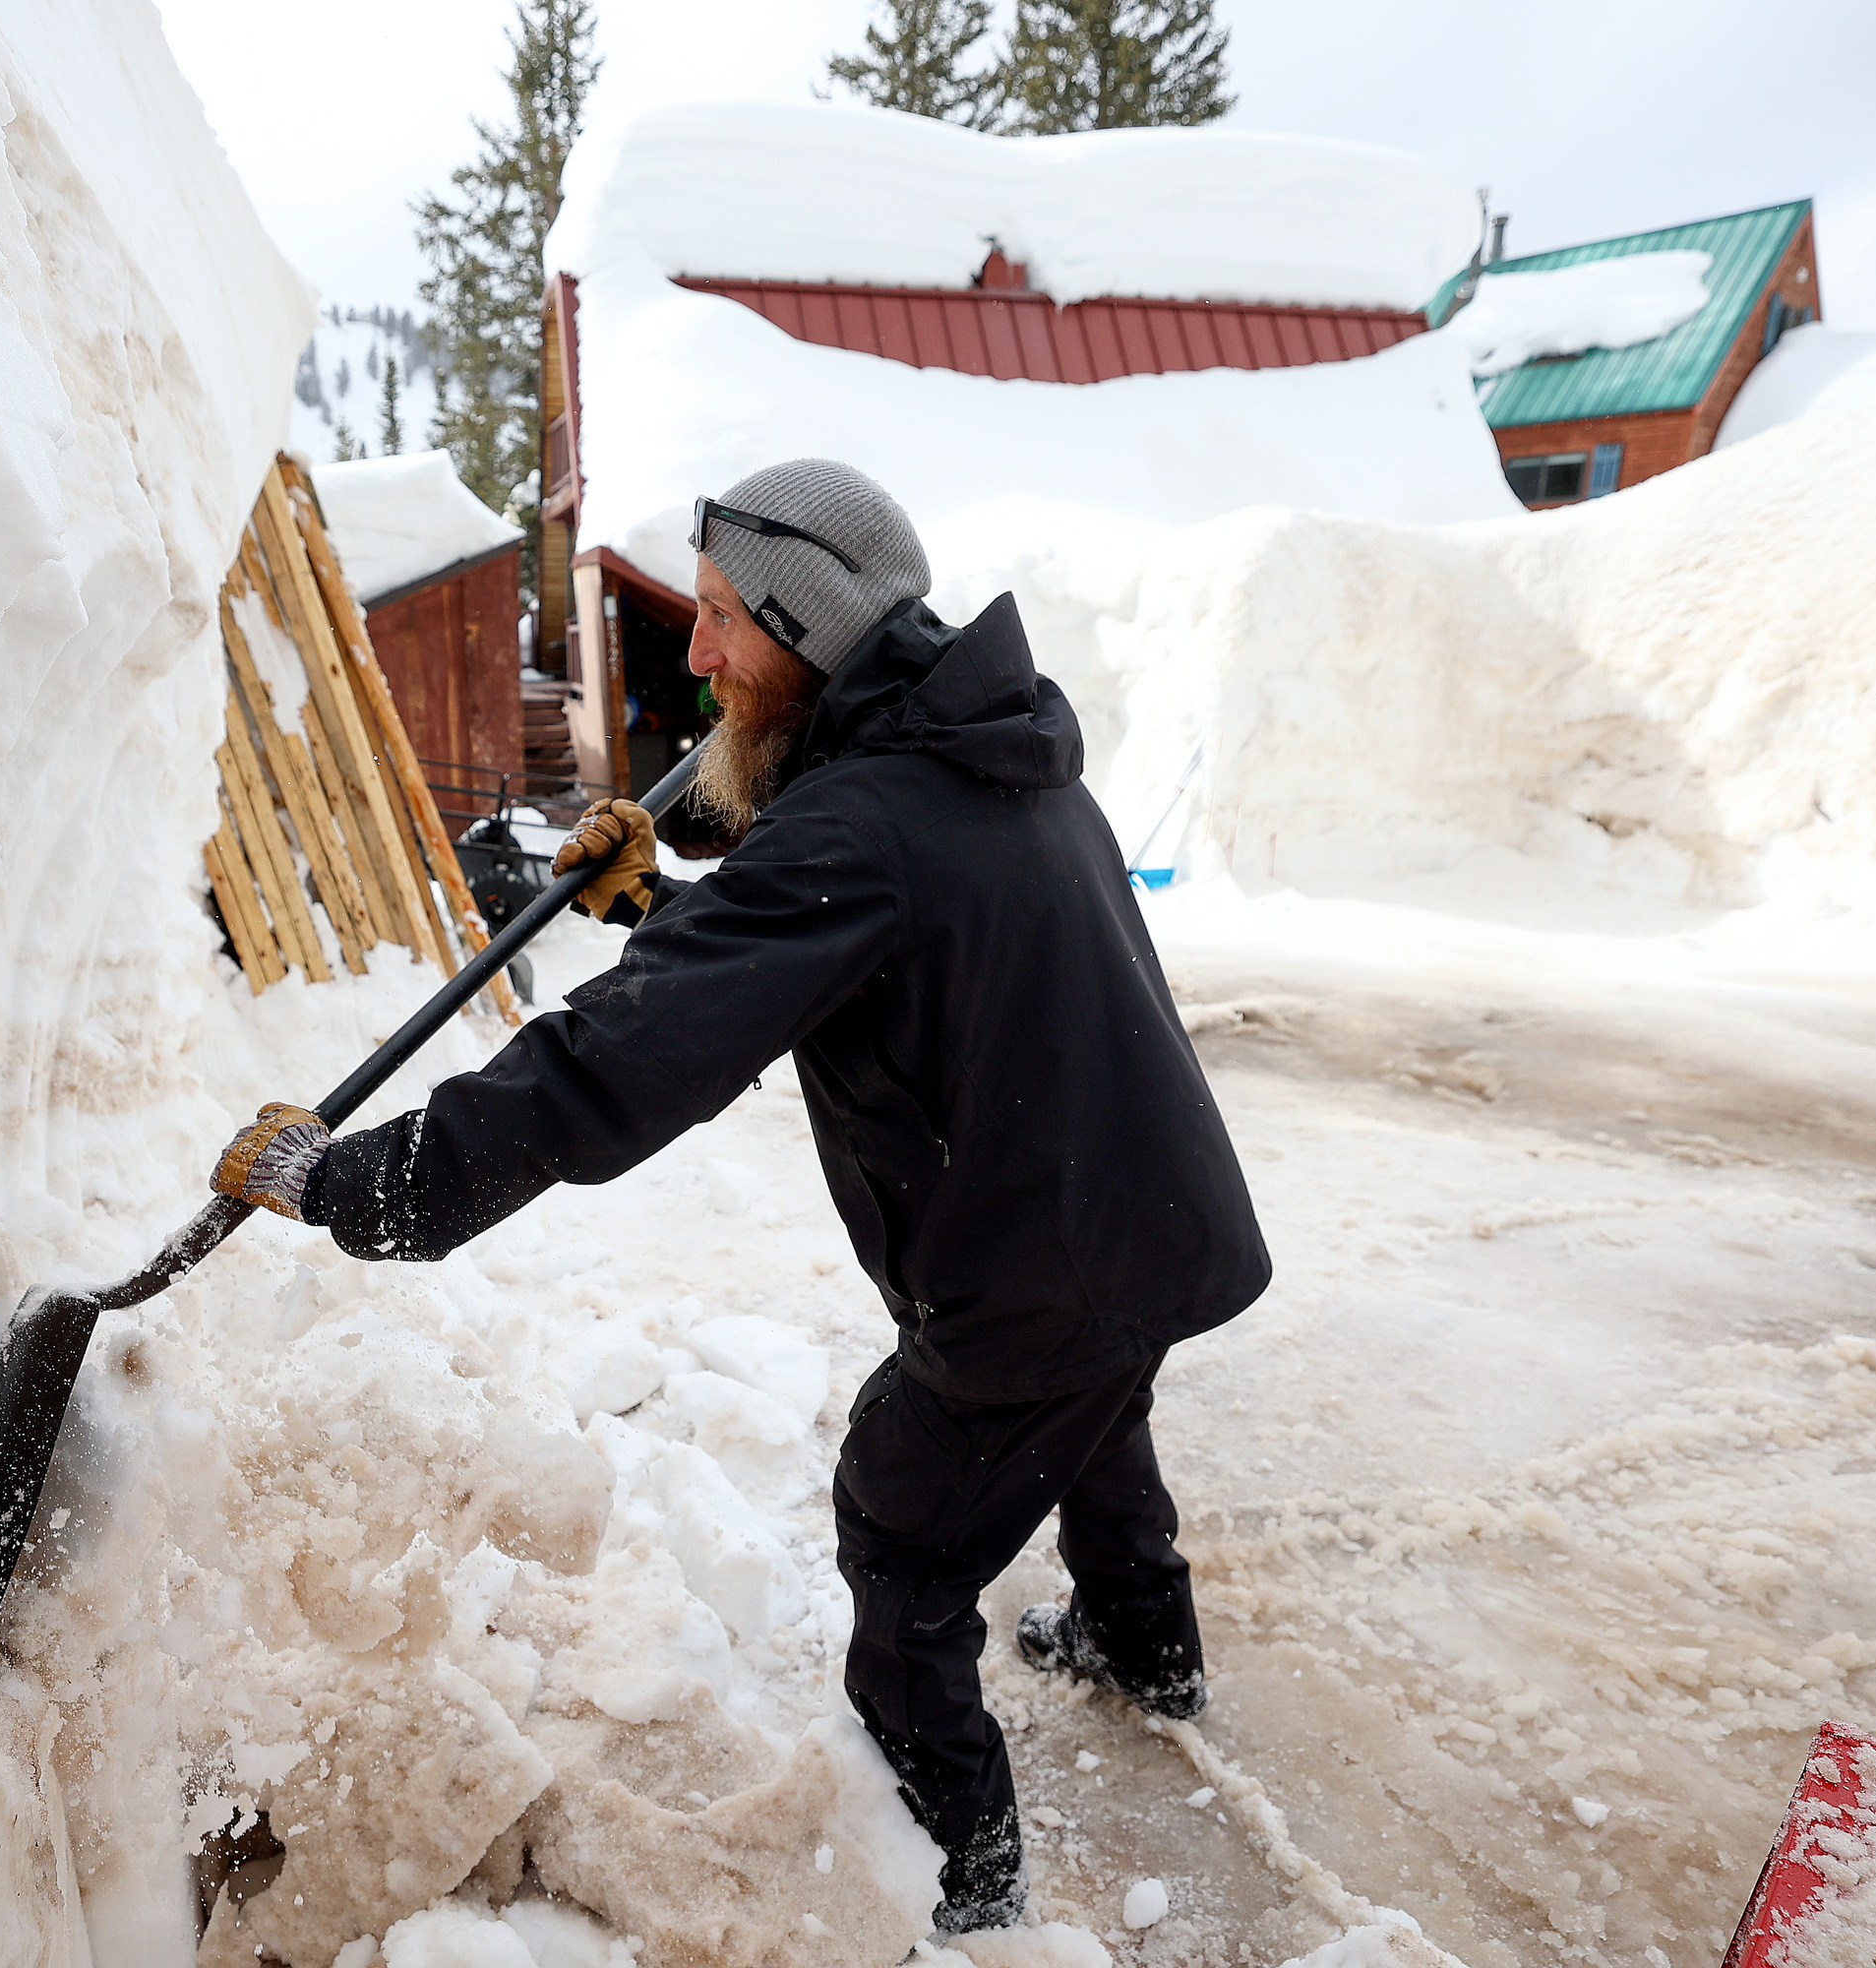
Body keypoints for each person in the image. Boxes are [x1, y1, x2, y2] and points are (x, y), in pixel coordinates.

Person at [209, 459, 1271, 1934]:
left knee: (904, 1536)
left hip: (1040, 1265)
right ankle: (1147, 1652)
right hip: (1144, 1214)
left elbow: (623, 1058)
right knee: (1098, 1420)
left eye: (722, 618)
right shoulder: (988, 753)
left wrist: (362, 1183)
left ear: (815, 631)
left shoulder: (861, 826)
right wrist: (656, 905)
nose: (695, 654)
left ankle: (966, 1888)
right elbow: (845, 944)